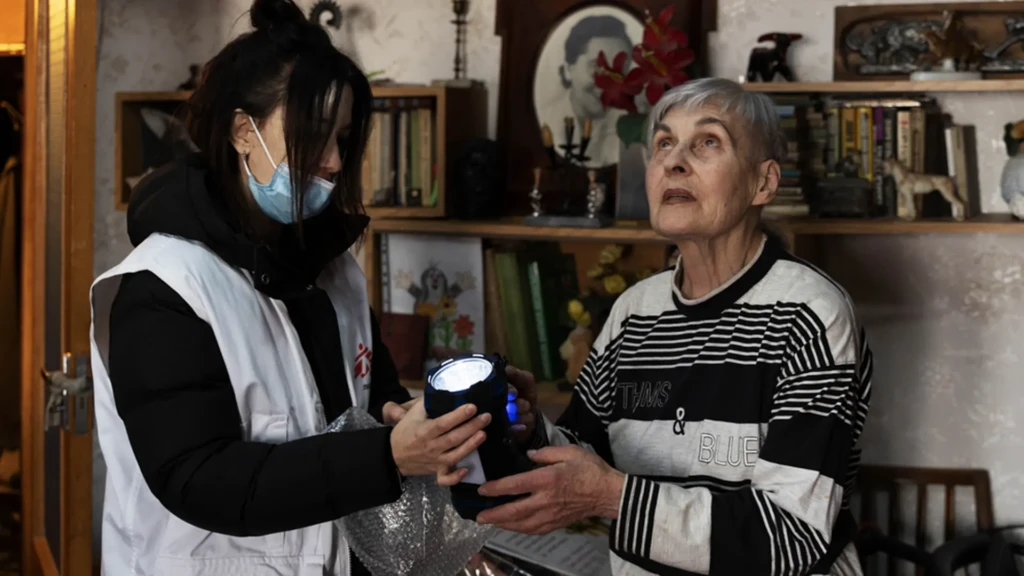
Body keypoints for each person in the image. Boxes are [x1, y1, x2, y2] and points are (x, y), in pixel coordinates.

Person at [89, 1, 492, 575]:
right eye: (311, 135)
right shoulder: (161, 288)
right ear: (240, 132)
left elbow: (368, 400)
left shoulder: (334, 271)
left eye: (343, 138)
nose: (331, 161)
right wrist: (389, 455)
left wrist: (406, 421)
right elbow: (199, 479)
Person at [483, 78, 874, 576]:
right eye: (664, 143)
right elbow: (585, 459)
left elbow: (791, 538)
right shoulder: (634, 311)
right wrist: (528, 429)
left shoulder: (809, 314)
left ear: (764, 183)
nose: (674, 161)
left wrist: (613, 498)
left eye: (708, 142)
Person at [534, 14, 636, 167]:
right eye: (596, 68)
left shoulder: (631, 129)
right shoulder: (546, 121)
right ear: (569, 69)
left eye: (619, 72)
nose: (606, 84)